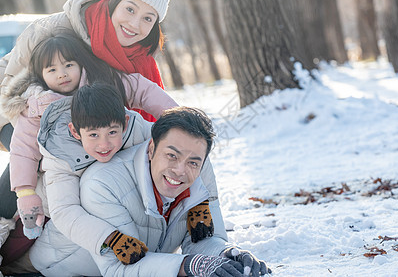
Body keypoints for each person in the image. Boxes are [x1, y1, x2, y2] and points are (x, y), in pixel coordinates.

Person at [0, 0, 176, 221]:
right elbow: (10, 86)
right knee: (43, 160)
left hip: (85, 124)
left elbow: (140, 91)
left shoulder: (138, 56)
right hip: (19, 114)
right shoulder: (52, 31)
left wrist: (178, 120)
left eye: (148, 18)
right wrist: (45, 106)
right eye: (130, 9)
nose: (134, 24)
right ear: (114, 3)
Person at [0, 32, 180, 268]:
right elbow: (23, 151)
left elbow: (141, 90)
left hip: (107, 164)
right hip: (61, 170)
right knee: (36, 220)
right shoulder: (38, 105)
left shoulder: (104, 82)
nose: (62, 74)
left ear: (80, 64)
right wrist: (24, 191)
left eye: (68, 65)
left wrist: (177, 119)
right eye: (51, 70)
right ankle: (9, 260)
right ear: (41, 75)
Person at [30, 105, 270, 277]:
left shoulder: (201, 172)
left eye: (193, 162)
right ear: (152, 147)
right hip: (58, 267)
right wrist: (188, 266)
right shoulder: (102, 184)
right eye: (171, 155)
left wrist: (225, 254)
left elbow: (201, 240)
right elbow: (118, 267)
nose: (179, 170)